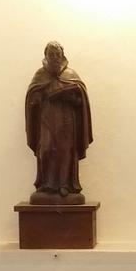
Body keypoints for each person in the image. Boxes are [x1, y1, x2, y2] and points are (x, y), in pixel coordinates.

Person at [24, 42, 93, 205]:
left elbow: (80, 101)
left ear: (62, 56)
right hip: (46, 120)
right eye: (51, 54)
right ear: (46, 56)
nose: (55, 57)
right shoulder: (40, 75)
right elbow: (32, 98)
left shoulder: (70, 74)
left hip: (66, 121)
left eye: (57, 54)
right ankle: (47, 184)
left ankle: (64, 185)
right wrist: (39, 97)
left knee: (64, 150)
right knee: (46, 149)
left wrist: (69, 96)